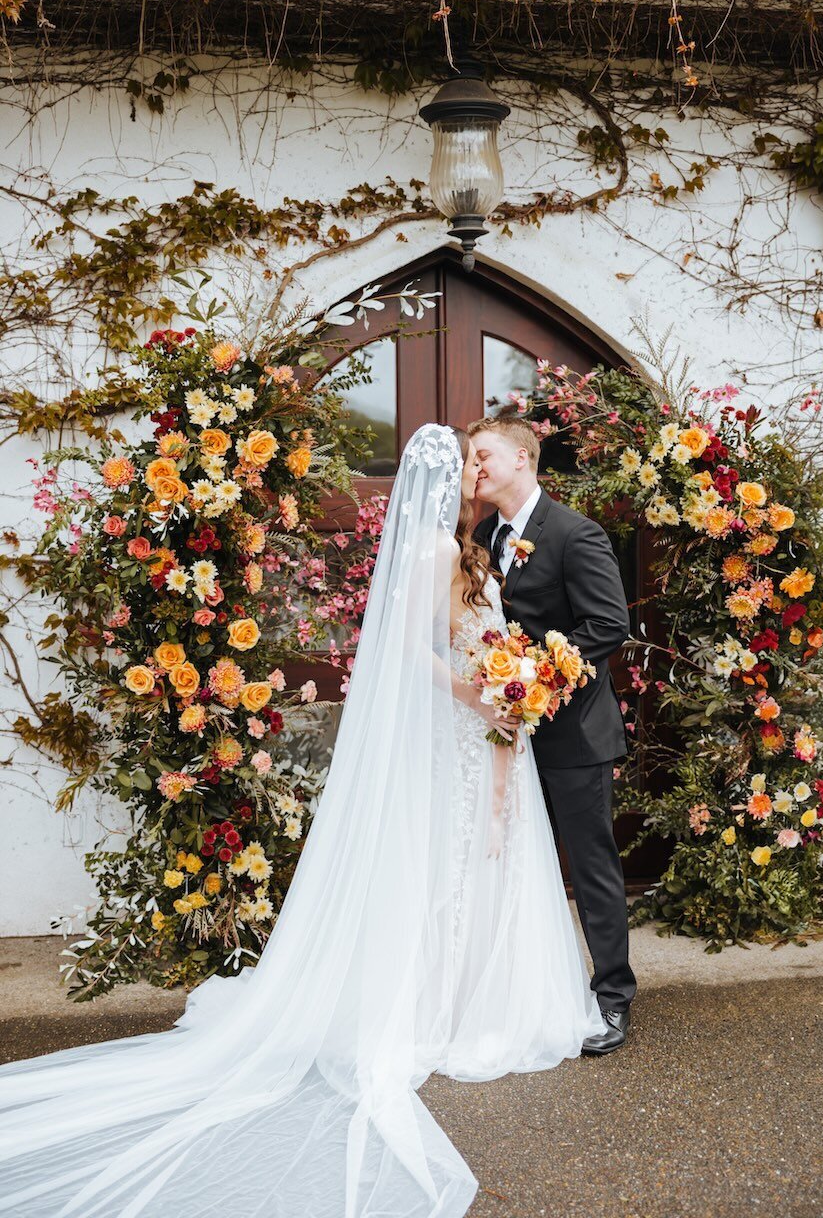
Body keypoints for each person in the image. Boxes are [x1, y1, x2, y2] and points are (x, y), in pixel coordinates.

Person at [0, 422, 608, 1218]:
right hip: (463, 725)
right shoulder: (432, 551)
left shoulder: (482, 546)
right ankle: (436, 1007)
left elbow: (496, 635)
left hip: (488, 734)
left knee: (480, 862)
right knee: (449, 864)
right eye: (463, 462)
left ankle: (467, 1001)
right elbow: (403, 648)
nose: (472, 471)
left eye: (478, 459)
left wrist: (511, 686)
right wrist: (476, 692)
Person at [469, 412, 637, 1055]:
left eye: (484, 454)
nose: (476, 466)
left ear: (521, 458)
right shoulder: (482, 536)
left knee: (591, 865)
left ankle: (612, 998)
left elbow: (606, 627)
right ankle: (522, 996)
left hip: (573, 735)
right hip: (504, 735)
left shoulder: (574, 532)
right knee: (513, 861)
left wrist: (534, 681)